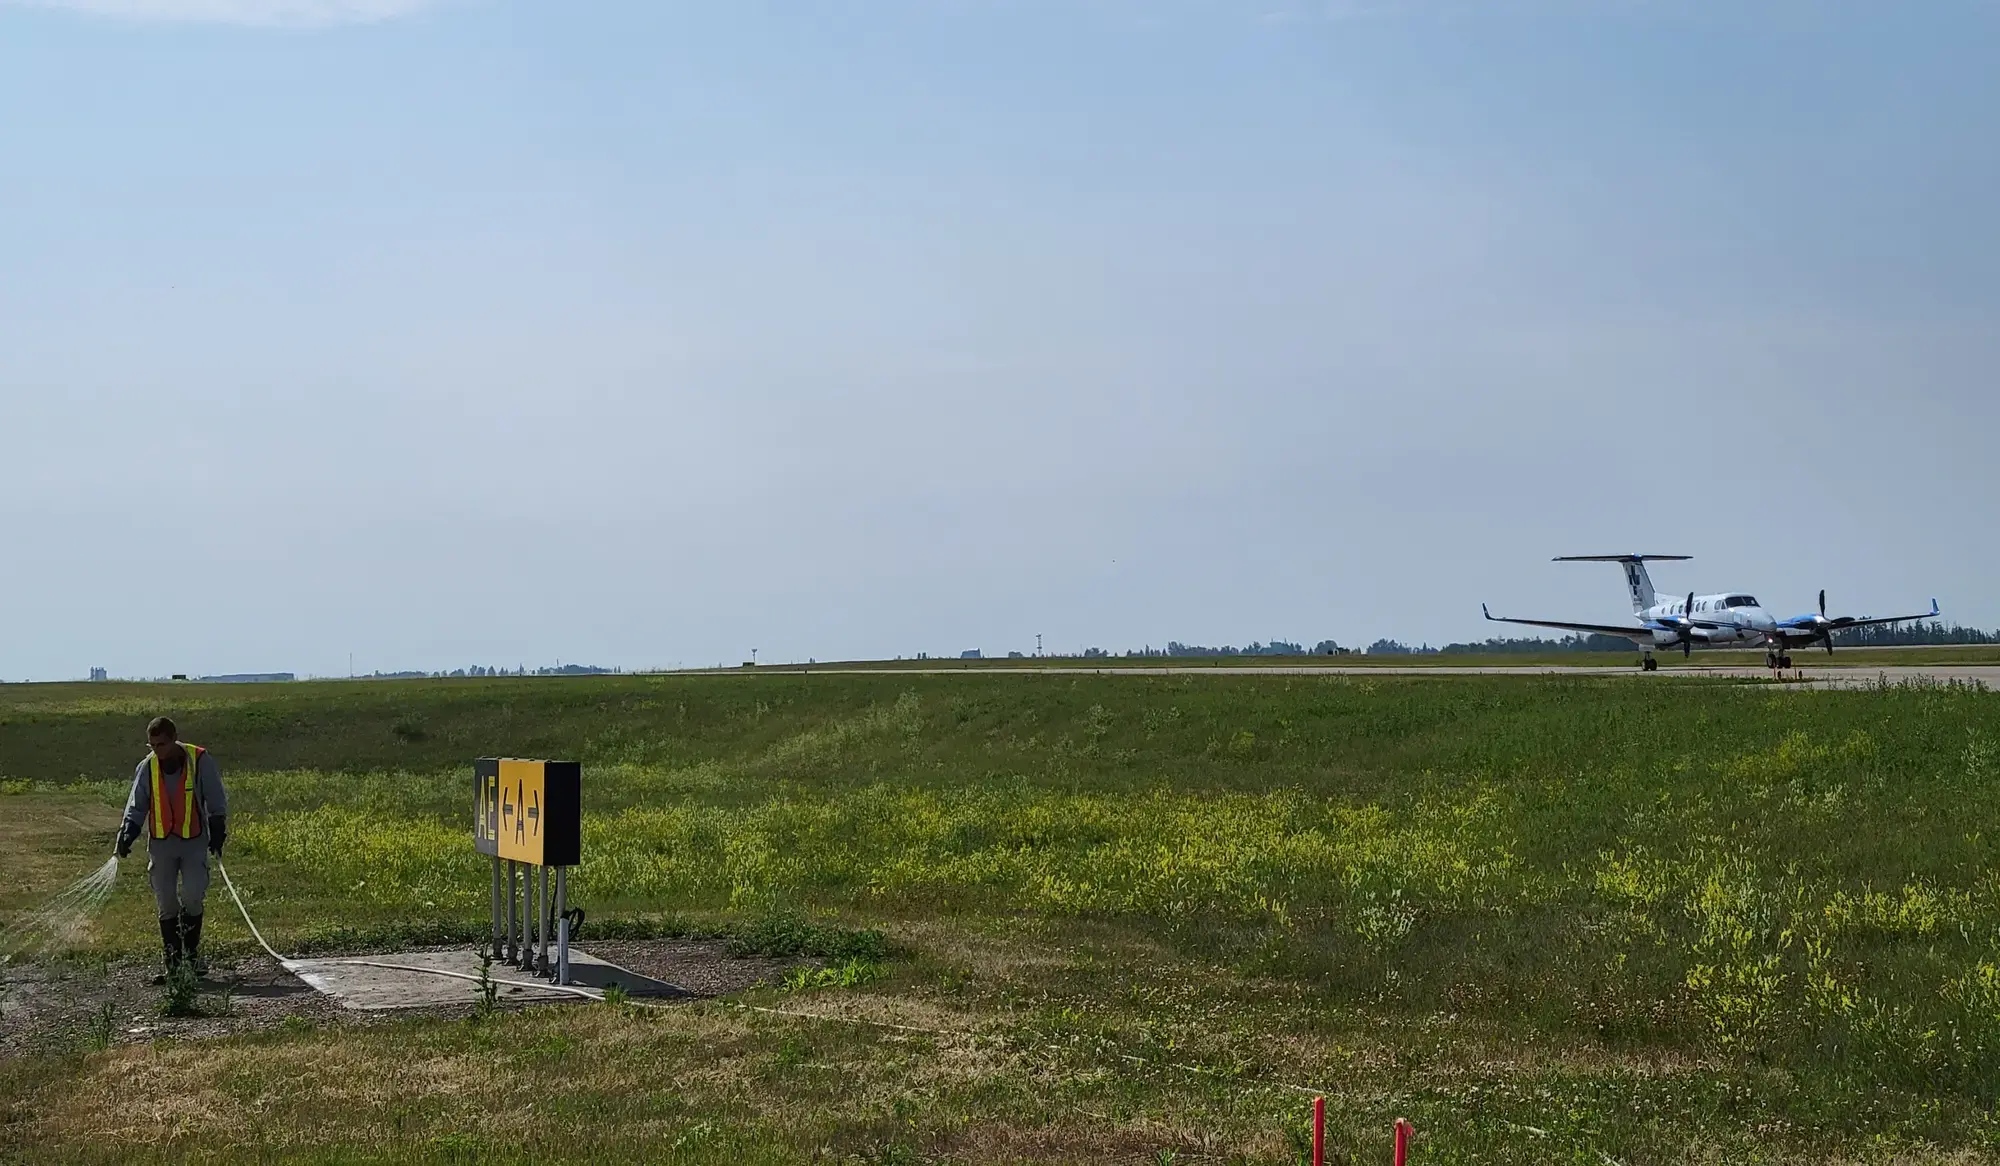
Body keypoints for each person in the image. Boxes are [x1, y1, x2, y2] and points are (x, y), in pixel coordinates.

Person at [114, 717, 228, 981]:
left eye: (162, 744)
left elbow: (215, 797)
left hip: (194, 841)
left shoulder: (199, 760)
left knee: (192, 896)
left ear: (174, 738)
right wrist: (128, 832)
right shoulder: (148, 766)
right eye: (152, 745)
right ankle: (173, 964)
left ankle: (192, 957)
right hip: (161, 843)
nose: (157, 750)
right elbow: (136, 805)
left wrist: (218, 827)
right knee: (166, 901)